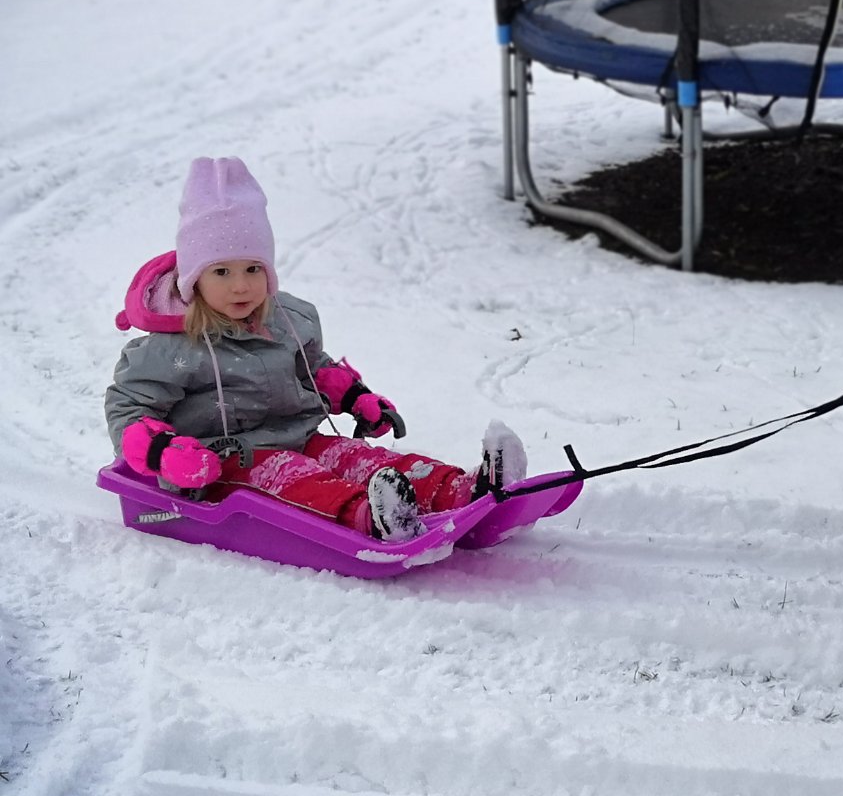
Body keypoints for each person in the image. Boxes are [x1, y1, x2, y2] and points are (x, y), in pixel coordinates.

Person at [105, 157, 528, 542]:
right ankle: (370, 517)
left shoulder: (286, 320)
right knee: (295, 478)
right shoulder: (170, 348)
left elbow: (315, 369)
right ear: (193, 279)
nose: (241, 285)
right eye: (221, 272)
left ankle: (465, 488)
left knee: (361, 459)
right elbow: (128, 409)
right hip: (224, 463)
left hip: (302, 439)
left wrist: (356, 397)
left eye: (253, 268)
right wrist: (164, 453)